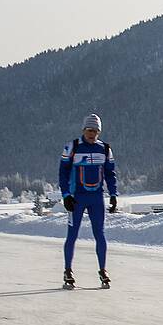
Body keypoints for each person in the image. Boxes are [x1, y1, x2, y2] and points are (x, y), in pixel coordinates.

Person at [57, 113, 118, 289]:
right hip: (77, 198)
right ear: (83, 130)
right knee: (72, 234)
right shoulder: (72, 147)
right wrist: (66, 195)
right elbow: (63, 173)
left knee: (100, 234)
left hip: (96, 197)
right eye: (90, 130)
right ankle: (68, 270)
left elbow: (110, 173)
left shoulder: (105, 149)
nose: (92, 134)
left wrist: (113, 195)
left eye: (96, 131)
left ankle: (103, 269)